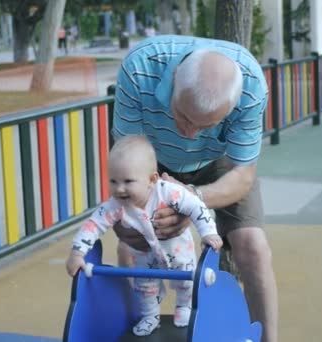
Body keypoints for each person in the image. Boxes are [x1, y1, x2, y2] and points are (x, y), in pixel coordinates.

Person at [111, 35, 278, 342]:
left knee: (253, 246)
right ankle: (134, 328)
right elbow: (127, 156)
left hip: (219, 161)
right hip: (150, 158)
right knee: (131, 239)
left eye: (206, 124)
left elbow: (242, 174)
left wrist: (191, 200)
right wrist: (137, 210)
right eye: (184, 116)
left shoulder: (252, 84)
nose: (189, 134)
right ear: (174, 81)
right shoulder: (140, 68)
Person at [66, 135, 223, 336]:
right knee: (145, 287)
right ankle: (150, 316)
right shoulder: (116, 206)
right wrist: (77, 252)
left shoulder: (168, 193)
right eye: (113, 181)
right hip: (144, 257)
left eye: (128, 181)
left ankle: (183, 308)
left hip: (178, 251)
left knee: (187, 283)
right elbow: (93, 225)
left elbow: (195, 207)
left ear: (152, 180)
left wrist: (208, 233)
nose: (119, 188)